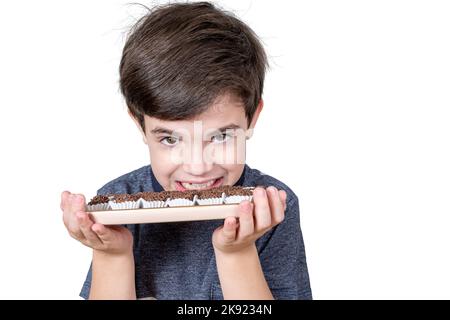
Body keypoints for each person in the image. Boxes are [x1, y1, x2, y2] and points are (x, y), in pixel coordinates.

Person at [60, 1, 312, 300]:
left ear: (251, 119)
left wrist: (237, 253)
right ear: (140, 126)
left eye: (220, 137)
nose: (198, 167)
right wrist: (113, 255)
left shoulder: (271, 207)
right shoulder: (116, 208)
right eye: (170, 139)